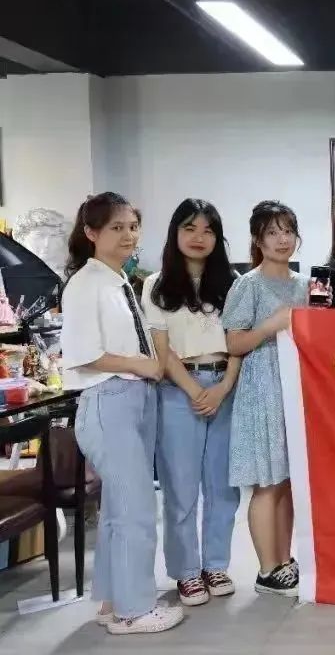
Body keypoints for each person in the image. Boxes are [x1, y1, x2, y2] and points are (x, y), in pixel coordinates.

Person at [60, 192, 184, 635]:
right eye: (116, 227)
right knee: (136, 510)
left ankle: (114, 601)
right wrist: (140, 364)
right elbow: (83, 354)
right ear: (91, 233)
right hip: (109, 398)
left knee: (119, 509)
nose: (128, 235)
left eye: (133, 226)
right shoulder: (85, 284)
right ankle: (135, 611)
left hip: (133, 399)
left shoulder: (117, 281)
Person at [142, 199, 242, 609]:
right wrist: (193, 390)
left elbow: (239, 342)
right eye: (190, 228)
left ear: (218, 238)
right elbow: (160, 349)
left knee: (223, 487)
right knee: (181, 488)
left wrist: (223, 387)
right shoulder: (156, 285)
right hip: (177, 390)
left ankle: (215, 564)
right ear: (175, 233)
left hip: (226, 387)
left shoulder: (234, 283)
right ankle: (186, 571)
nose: (199, 237)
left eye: (208, 230)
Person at [222, 200, 309, 597]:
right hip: (262, 390)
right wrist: (272, 325)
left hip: (297, 389)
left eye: (287, 231)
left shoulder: (305, 284)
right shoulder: (248, 284)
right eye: (272, 232)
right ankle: (266, 569)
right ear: (258, 240)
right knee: (267, 482)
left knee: (288, 480)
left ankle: (285, 560)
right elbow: (234, 343)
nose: (282, 239)